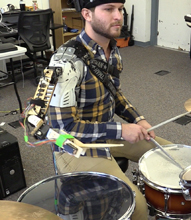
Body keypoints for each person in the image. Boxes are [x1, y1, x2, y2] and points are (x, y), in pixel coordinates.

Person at [47, 0, 172, 219]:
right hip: (73, 147)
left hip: (105, 135)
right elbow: (62, 127)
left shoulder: (112, 50)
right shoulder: (65, 62)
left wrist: (138, 118)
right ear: (87, 14)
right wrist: (122, 131)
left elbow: (115, 93)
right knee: (137, 206)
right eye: (108, 9)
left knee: (170, 155)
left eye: (120, 9)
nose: (118, 16)